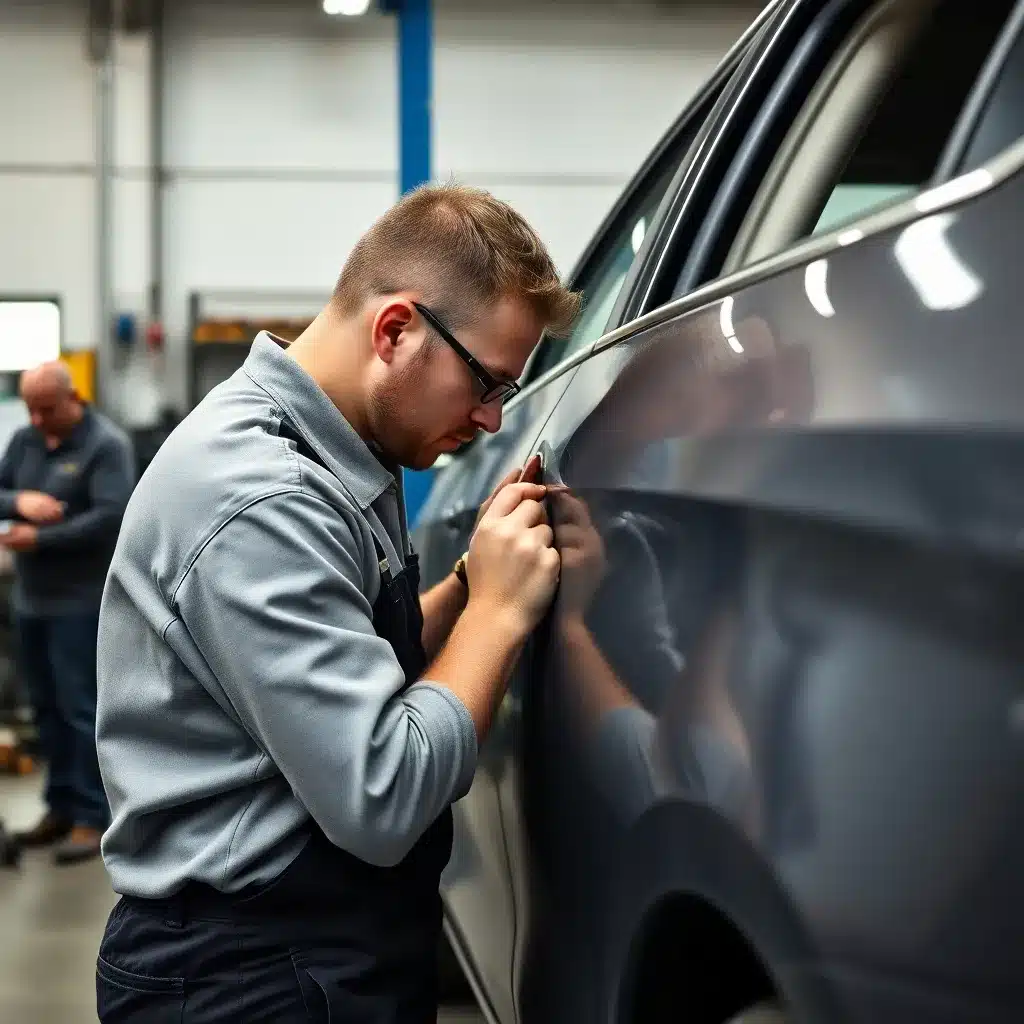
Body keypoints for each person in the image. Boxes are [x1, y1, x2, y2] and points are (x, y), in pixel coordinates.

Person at [94, 182, 579, 1022]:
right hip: (245, 978)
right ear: (395, 330)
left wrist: (467, 585)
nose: (493, 421)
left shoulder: (339, 445)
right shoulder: (260, 499)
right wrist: (499, 615)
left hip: (304, 945)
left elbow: (361, 666)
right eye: (485, 383)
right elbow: (381, 794)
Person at [0, 361, 135, 864]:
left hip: (80, 603)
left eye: (46, 409)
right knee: (46, 711)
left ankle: (91, 817)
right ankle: (58, 808)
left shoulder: (106, 446)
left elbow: (112, 518)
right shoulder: (24, 443)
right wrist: (22, 500)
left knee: (81, 711)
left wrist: (40, 536)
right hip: (31, 601)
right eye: (30, 409)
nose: (36, 419)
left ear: (72, 397)